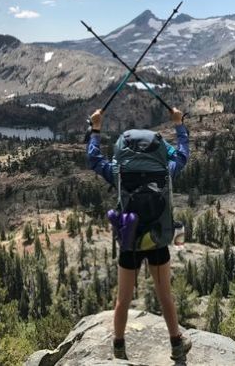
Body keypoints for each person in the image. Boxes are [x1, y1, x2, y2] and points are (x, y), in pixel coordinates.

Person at [86, 107, 191, 361]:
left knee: (122, 300)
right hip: (157, 238)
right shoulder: (165, 173)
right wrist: (179, 125)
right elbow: (183, 155)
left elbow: (94, 159)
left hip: (129, 239)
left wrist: (95, 129)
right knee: (165, 294)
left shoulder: (119, 174)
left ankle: (119, 348)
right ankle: (176, 344)